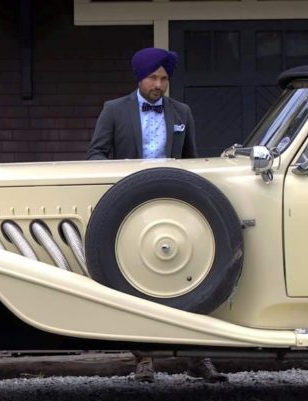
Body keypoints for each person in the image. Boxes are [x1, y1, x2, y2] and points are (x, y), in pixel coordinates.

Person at [86, 47, 227, 383]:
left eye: (164, 78)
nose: (159, 84)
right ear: (140, 77)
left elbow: (191, 160)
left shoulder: (182, 112)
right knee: (137, 283)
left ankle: (197, 358)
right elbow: (95, 154)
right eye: (153, 77)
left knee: (190, 280)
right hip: (131, 208)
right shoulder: (114, 110)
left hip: (174, 205)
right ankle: (144, 360)